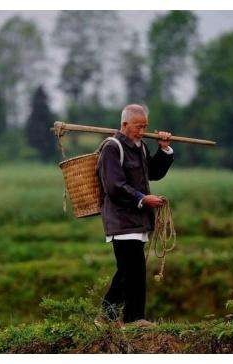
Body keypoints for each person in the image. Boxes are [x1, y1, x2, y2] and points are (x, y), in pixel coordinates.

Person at [96, 104, 174, 328]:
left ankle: (112, 318)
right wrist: (143, 198)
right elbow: (114, 186)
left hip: (137, 220)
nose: (142, 131)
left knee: (129, 270)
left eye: (145, 127)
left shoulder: (140, 147)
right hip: (121, 220)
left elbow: (154, 173)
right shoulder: (112, 147)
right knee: (132, 269)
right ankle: (131, 318)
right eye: (138, 127)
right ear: (124, 125)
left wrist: (164, 149)